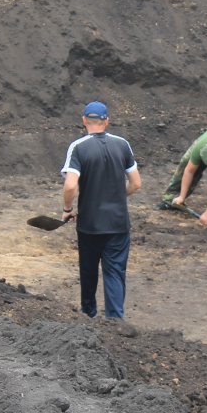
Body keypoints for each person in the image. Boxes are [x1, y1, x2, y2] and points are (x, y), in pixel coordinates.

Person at [61, 101, 141, 320]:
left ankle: (88, 316)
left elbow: (70, 185)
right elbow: (135, 183)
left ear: (84, 121)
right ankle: (115, 322)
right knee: (114, 272)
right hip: (117, 224)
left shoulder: (78, 147)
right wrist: (116, 195)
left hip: (89, 224)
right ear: (107, 121)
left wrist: (68, 209)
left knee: (88, 272)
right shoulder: (122, 144)